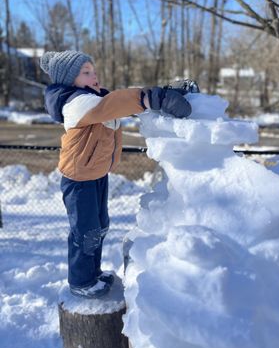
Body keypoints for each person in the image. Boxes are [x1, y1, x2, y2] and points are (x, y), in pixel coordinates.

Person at [40, 50, 192, 299]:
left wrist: (160, 95)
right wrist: (150, 97)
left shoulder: (95, 97)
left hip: (96, 174)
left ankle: (93, 273)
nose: (94, 75)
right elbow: (115, 104)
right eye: (86, 72)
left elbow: (120, 104)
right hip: (79, 180)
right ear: (69, 80)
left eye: (94, 70)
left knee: (99, 227)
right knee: (85, 230)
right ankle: (81, 281)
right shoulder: (77, 103)